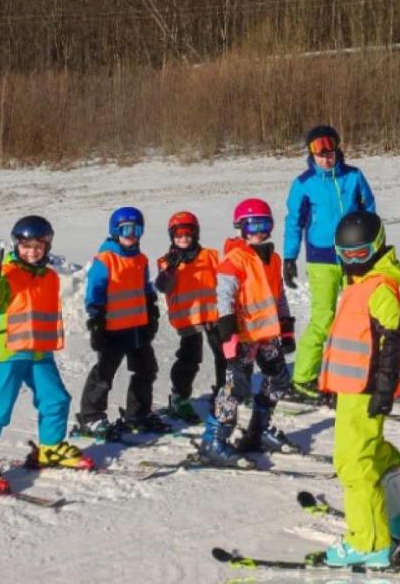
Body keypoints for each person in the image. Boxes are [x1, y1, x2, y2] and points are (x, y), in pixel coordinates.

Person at [0, 215, 93, 486]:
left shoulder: (50, 277)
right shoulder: (6, 273)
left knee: (56, 399)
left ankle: (51, 447)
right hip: (9, 351)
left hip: (40, 352)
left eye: (38, 246)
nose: (32, 251)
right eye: (26, 245)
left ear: (47, 247)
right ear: (16, 244)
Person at [318, 210, 400, 568]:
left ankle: (369, 543)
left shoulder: (381, 289)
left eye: (360, 254)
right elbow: (349, 340)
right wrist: (330, 383)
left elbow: (391, 344)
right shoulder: (358, 285)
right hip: (350, 388)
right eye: (346, 254)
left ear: (378, 245)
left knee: (353, 465)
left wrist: (384, 391)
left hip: (367, 391)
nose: (353, 262)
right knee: (373, 453)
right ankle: (394, 512)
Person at [199, 198, 297, 467]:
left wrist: (286, 329)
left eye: (264, 224)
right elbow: (224, 298)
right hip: (242, 338)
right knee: (235, 389)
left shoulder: (274, 259)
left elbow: (278, 297)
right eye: (252, 225)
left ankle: (257, 431)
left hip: (267, 335)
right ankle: (213, 439)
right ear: (240, 227)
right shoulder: (235, 260)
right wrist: (228, 336)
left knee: (279, 380)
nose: (258, 231)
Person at [283, 125, 377, 402]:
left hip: (355, 258)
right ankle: (302, 378)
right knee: (323, 319)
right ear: (311, 153)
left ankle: (351, 373)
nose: (326, 156)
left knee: (358, 319)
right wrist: (289, 257)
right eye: (318, 151)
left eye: (330, 149)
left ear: (337, 148)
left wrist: (375, 248)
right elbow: (293, 222)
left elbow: (369, 211)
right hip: (321, 260)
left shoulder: (354, 176)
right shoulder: (304, 183)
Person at [74, 206, 170, 438]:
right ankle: (91, 417)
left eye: (136, 229)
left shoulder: (141, 259)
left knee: (146, 370)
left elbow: (145, 289)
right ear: (115, 230)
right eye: (125, 229)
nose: (131, 234)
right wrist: (96, 323)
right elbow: (94, 294)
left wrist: (152, 311)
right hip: (113, 330)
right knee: (104, 375)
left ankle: (137, 414)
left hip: (137, 329)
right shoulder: (105, 260)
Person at [154, 210, 224, 424]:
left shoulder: (210, 256)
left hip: (213, 315)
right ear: (172, 236)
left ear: (196, 234)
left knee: (224, 354)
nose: (184, 238)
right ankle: (179, 397)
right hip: (188, 318)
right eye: (178, 234)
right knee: (190, 358)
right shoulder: (167, 262)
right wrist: (171, 270)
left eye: (188, 233)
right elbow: (162, 286)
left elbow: (225, 279)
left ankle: (224, 391)